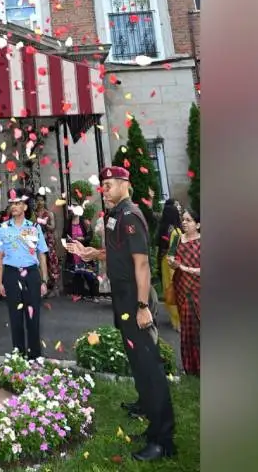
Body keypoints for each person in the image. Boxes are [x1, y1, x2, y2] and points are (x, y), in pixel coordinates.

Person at [68, 167, 176, 462]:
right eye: (102, 184)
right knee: (138, 361)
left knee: (149, 365)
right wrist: (92, 253)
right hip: (123, 295)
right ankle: (150, 415)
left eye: (109, 184)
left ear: (124, 185)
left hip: (135, 298)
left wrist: (142, 307)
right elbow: (117, 252)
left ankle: (163, 439)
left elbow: (141, 264)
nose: (104, 189)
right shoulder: (115, 214)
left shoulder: (130, 215)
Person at [0, 190, 48, 360]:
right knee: (15, 317)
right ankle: (18, 356)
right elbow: (0, 257)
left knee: (33, 316)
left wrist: (44, 280)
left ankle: (35, 357)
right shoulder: (2, 229)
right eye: (12, 203)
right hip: (11, 275)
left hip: (31, 274)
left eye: (17, 203)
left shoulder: (34, 227)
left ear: (24, 206)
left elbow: (41, 254)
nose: (14, 206)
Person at [168, 208, 201, 376]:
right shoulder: (178, 240)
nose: (185, 223)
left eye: (189, 220)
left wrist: (187, 268)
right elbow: (170, 258)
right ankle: (190, 367)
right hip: (182, 288)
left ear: (198, 224)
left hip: (199, 290)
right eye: (184, 220)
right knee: (187, 326)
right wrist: (173, 263)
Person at [156, 198, 183, 331]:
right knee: (174, 289)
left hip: (164, 261)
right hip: (172, 263)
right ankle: (178, 322)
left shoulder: (163, 228)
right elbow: (174, 251)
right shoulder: (176, 232)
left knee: (168, 289)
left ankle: (175, 320)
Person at [63, 205, 99, 300]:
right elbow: (63, 236)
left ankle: (94, 294)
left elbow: (90, 235)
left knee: (88, 273)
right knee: (77, 273)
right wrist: (67, 243)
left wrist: (82, 239)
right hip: (73, 252)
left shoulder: (85, 222)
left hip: (83, 251)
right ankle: (79, 293)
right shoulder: (68, 223)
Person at [34, 192, 60, 298]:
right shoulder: (33, 213)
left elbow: (53, 227)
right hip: (36, 241)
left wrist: (45, 223)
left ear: (44, 201)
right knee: (38, 263)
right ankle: (41, 287)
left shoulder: (49, 213)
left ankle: (54, 288)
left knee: (51, 262)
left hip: (47, 240)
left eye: (41, 200)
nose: (40, 202)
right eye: (38, 200)